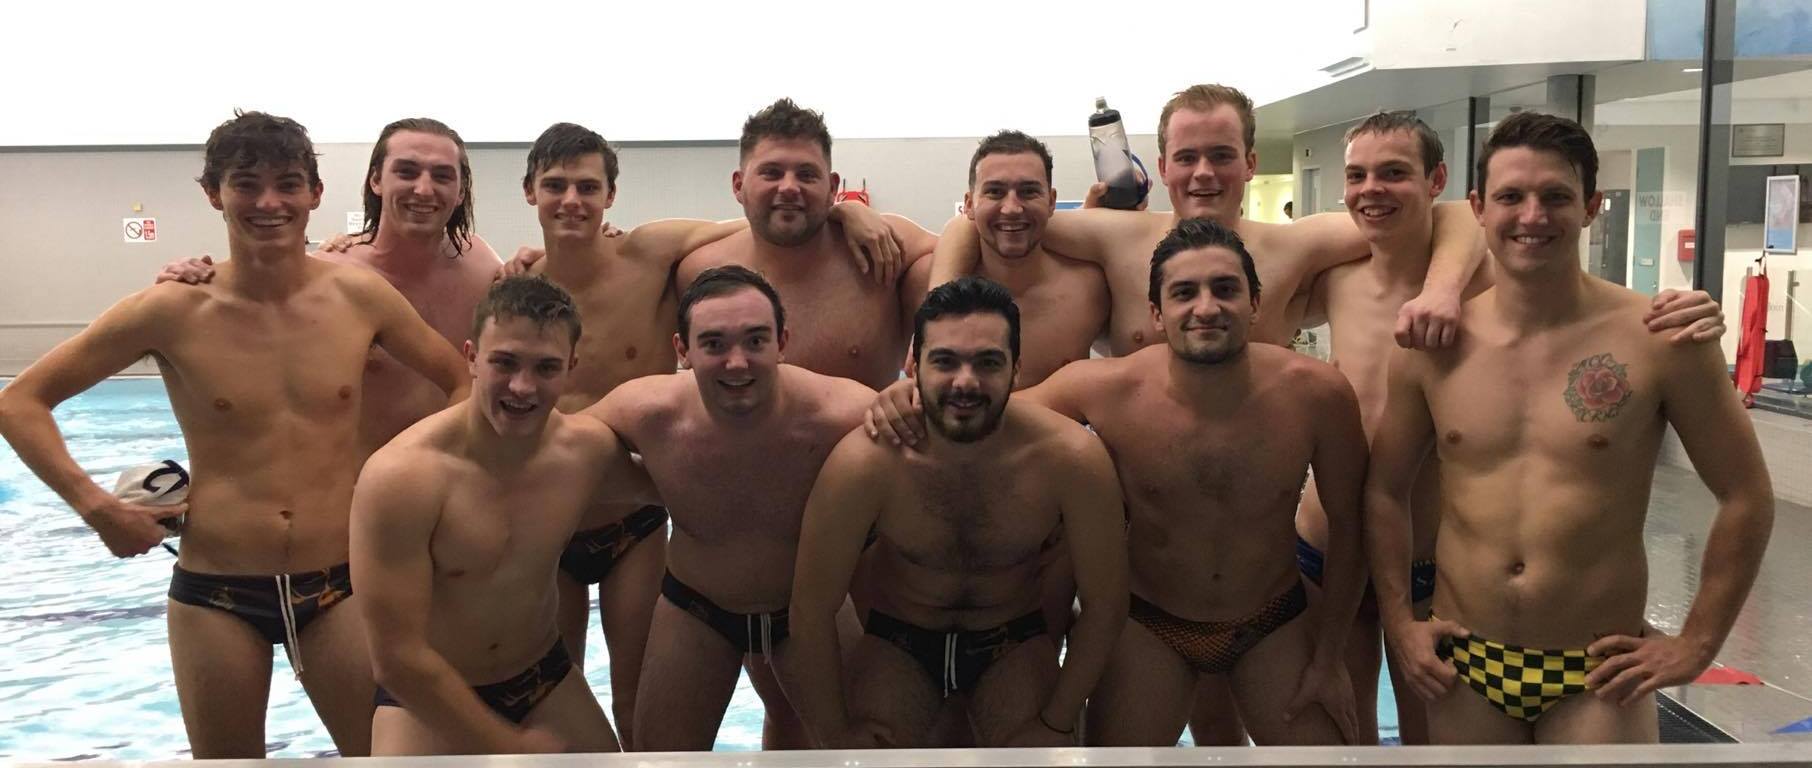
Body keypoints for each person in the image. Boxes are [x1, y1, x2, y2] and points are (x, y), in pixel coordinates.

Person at [0, 111, 470, 758]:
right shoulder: (171, 309)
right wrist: (97, 508)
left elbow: (462, 381)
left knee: (379, 759)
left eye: (288, 184)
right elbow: (20, 402)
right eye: (246, 184)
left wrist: (414, 486)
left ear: (315, 194)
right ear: (213, 193)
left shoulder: (360, 297)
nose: (269, 203)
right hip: (215, 591)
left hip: (339, 582)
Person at [1292, 110, 1727, 745]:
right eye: (1511, 197)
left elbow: (1746, 494)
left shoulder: (1653, 335)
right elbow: (1384, 488)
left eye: (1556, 197)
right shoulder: (1387, 313)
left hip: (1588, 660)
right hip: (1450, 639)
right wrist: (1402, 625)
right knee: (1344, 732)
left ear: (1592, 206)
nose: (1532, 216)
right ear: (1481, 206)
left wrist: (1699, 642)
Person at [790, 277, 1128, 748]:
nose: (965, 382)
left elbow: (1106, 604)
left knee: (1043, 758)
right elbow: (811, 609)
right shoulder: (868, 462)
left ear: (1016, 370)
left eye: (987, 362)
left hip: (1012, 642)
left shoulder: (1069, 460)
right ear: (914, 366)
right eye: (945, 361)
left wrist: (1057, 720)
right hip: (899, 642)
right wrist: (834, 737)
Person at [352, 276, 656, 755]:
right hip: (429, 696)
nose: (522, 387)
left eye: (546, 367)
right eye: (505, 362)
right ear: (472, 356)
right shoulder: (403, 478)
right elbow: (397, 659)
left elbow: (679, 491)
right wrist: (510, 748)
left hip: (543, 679)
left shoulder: (585, 452)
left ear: (571, 367)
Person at [580, 265, 876, 750]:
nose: (736, 363)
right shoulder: (648, 411)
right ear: (682, 350)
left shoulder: (841, 413)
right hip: (697, 607)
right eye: (714, 344)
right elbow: (553, 453)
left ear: (782, 341)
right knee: (662, 763)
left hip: (807, 607)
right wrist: (657, 486)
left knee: (861, 755)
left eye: (755, 341)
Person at [158, 117, 503, 459]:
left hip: (459, 472)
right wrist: (191, 283)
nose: (424, 189)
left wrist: (528, 261)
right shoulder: (333, 277)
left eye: (442, 176)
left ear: (460, 191)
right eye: (406, 172)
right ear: (376, 180)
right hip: (360, 483)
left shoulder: (483, 263)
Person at [676, 98, 939, 391]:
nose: (789, 187)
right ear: (739, 185)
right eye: (771, 172)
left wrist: (929, 345)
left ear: (832, 187)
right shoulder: (700, 271)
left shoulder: (882, 246)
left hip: (867, 421)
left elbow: (964, 245)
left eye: (806, 174)